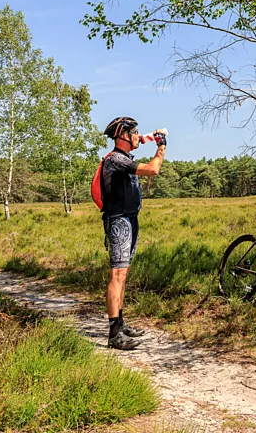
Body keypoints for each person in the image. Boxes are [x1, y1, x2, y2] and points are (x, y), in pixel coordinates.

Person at [100, 116, 166, 350]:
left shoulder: (125, 157)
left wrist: (153, 136)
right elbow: (152, 170)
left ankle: (121, 323)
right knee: (117, 275)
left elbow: (143, 139)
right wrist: (161, 146)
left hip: (130, 218)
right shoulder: (116, 160)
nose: (138, 135)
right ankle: (113, 334)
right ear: (124, 136)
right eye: (134, 132)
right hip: (119, 220)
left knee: (123, 274)